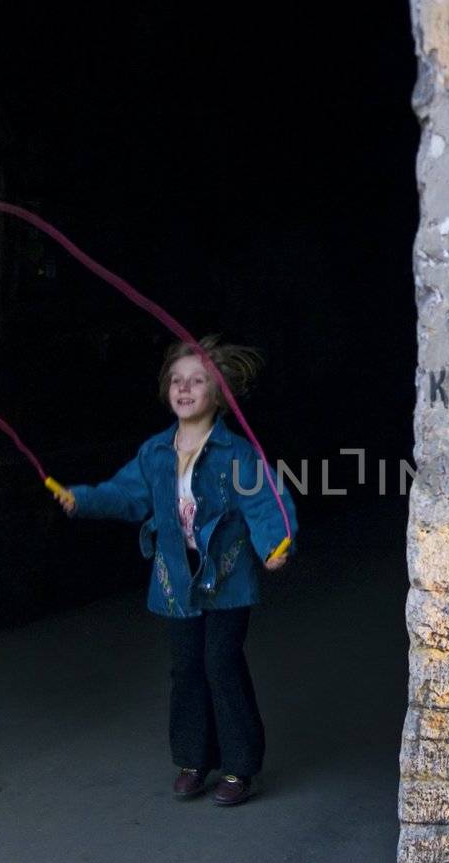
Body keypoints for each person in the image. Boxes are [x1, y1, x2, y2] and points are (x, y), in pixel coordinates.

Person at [60, 336, 296, 806]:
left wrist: (276, 543)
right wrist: (83, 498)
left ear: (220, 393)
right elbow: (127, 495)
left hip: (226, 579)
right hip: (175, 580)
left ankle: (238, 767)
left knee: (220, 663)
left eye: (198, 381)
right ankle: (193, 759)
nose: (184, 388)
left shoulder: (236, 453)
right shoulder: (155, 453)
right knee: (186, 668)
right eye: (176, 380)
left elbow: (266, 500)